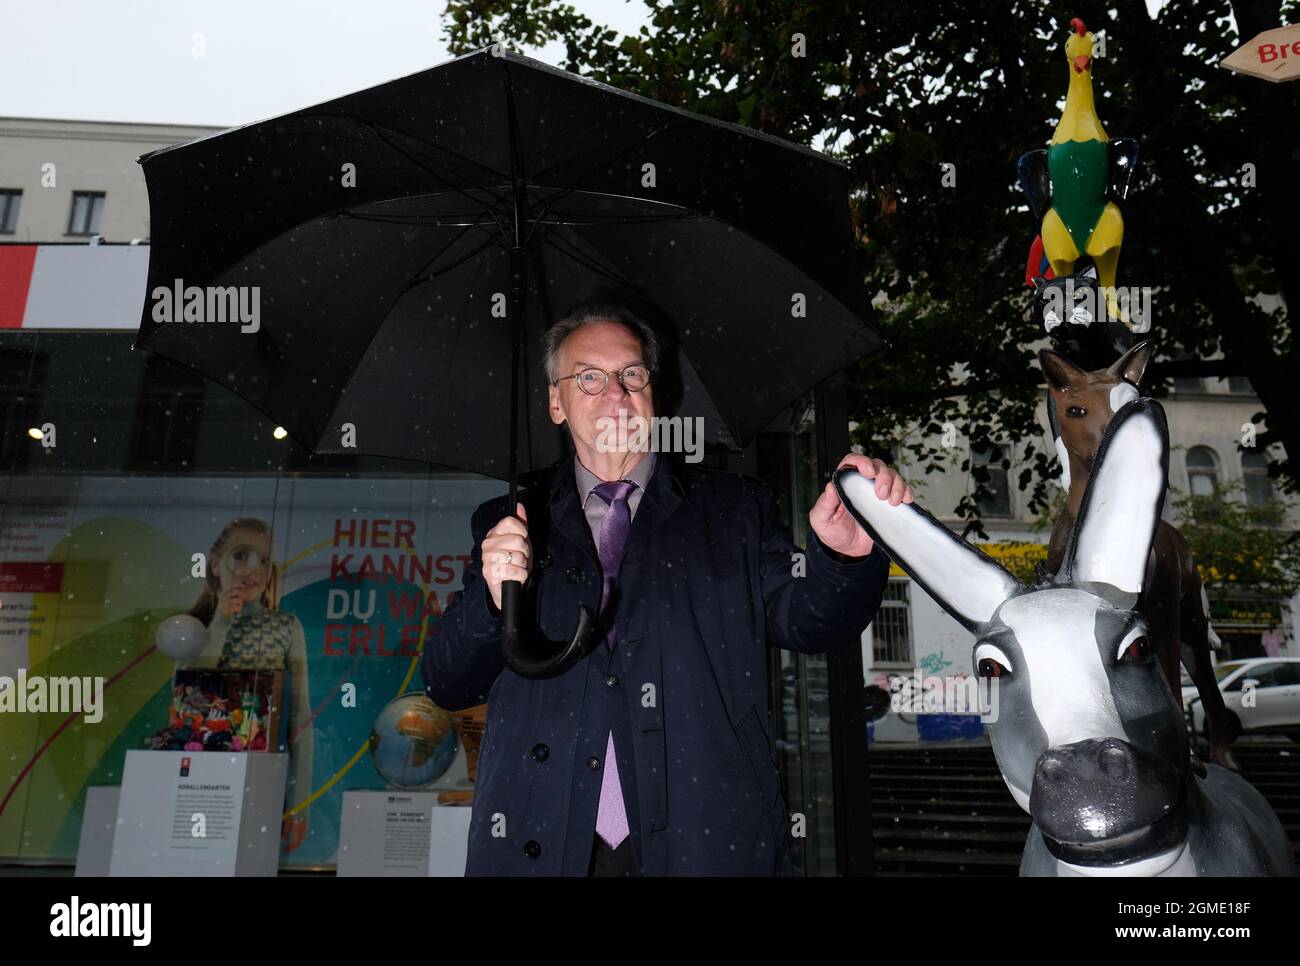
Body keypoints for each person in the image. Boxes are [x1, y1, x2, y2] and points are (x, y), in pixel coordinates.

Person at [420, 302, 911, 876]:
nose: (615, 393)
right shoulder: (510, 521)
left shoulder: (733, 510)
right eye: (589, 377)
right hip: (540, 840)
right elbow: (447, 681)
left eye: (632, 374)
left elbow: (811, 619)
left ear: (654, 392)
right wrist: (490, 592)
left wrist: (843, 557)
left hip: (704, 842)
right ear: (556, 401)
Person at [181, 517, 314, 852]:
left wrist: (299, 804)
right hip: (198, 772)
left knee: (248, 856)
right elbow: (189, 695)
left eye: (264, 560)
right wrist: (222, 621)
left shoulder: (285, 626)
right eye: (241, 556)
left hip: (259, 773)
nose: (253, 569)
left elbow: (300, 720)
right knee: (196, 855)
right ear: (215, 564)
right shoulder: (194, 625)